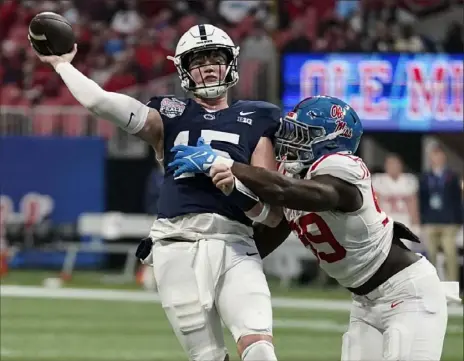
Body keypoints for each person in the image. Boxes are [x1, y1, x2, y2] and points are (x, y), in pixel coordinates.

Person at [31, 24, 282, 361]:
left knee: (260, 350)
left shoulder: (260, 117)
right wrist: (62, 64)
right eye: (198, 60)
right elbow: (100, 103)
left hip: (235, 243)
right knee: (208, 357)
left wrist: (233, 184)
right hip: (174, 246)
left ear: (231, 62)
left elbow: (271, 212)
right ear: (183, 69)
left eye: (215, 57)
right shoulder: (168, 113)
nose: (207, 66)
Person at [169, 95, 457, 361]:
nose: (289, 142)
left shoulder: (340, 171)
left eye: (301, 135)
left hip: (408, 294)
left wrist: (226, 163)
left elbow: (292, 192)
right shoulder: (295, 179)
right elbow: (258, 244)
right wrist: (193, 250)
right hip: (364, 302)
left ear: (330, 141)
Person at [419, 144, 462, 282]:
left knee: (450, 254)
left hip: (448, 223)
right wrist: (422, 219)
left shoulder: (452, 177)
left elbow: (457, 200)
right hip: (430, 222)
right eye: (434, 156)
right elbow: (422, 200)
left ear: (443, 158)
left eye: (439, 156)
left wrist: (458, 221)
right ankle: (433, 285)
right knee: (430, 255)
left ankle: (452, 288)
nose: (436, 159)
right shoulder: (425, 177)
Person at [372, 153, 420, 249]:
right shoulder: (378, 180)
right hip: (386, 222)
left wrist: (416, 222)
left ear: (401, 165)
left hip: (404, 221)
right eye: (390, 164)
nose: (393, 167)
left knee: (405, 252)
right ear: (386, 166)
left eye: (395, 164)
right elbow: (375, 203)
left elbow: (413, 202)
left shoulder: (409, 180)